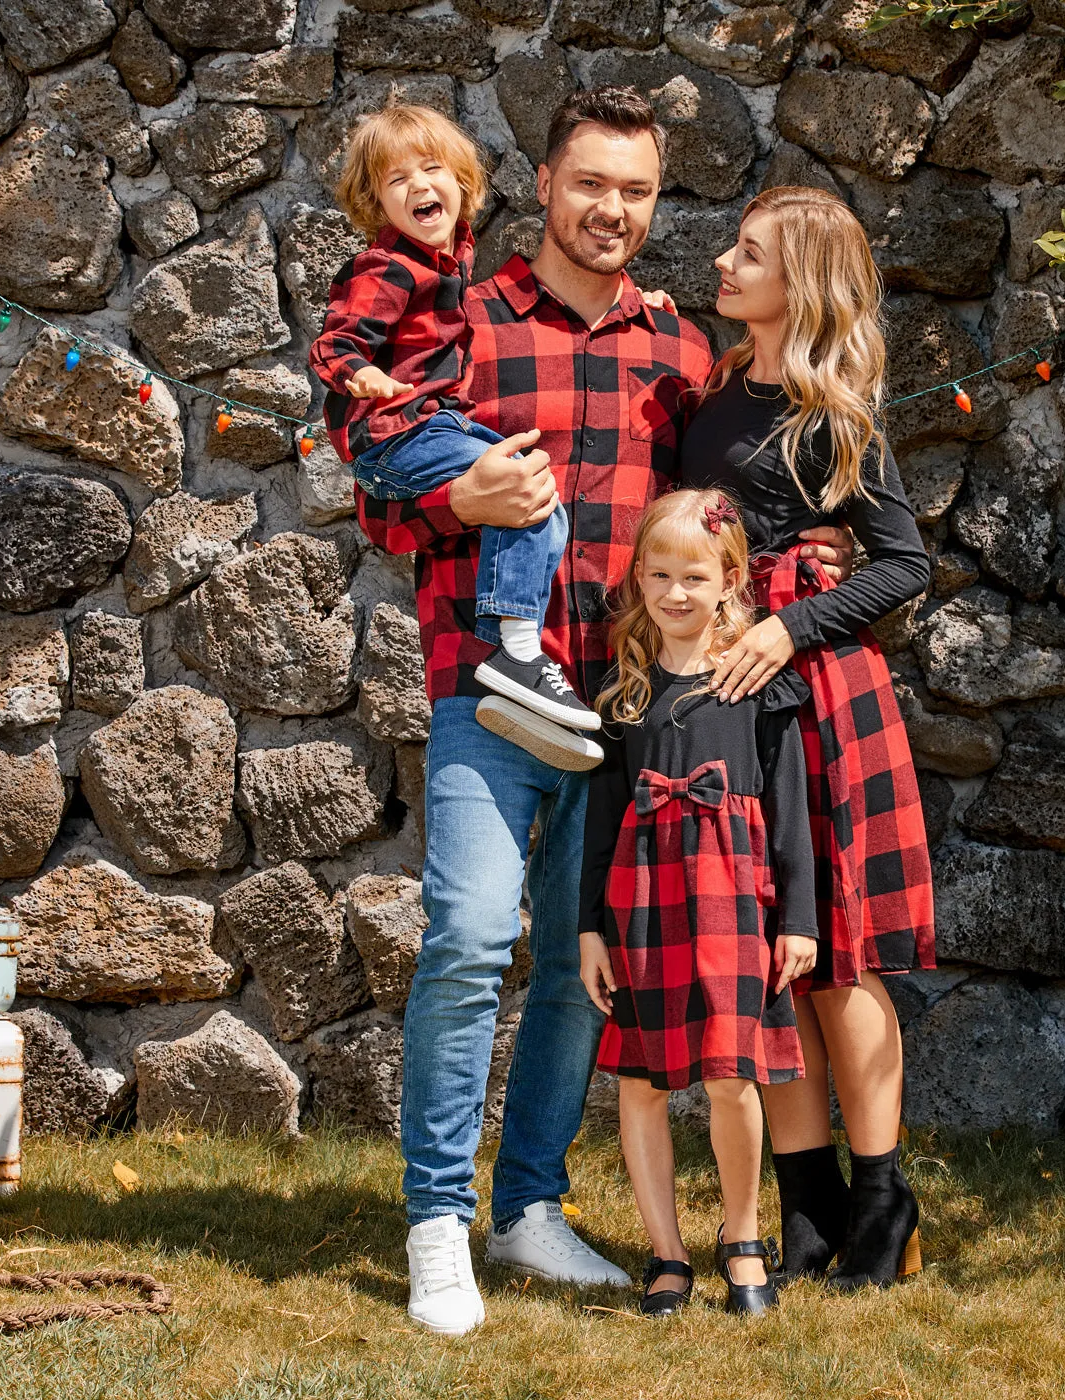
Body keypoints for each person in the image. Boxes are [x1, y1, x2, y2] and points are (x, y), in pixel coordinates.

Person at [352, 89, 856, 1335]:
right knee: (470, 935)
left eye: (635, 191)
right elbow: (378, 487)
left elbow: (725, 521)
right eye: (591, 185)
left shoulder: (681, 354)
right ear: (542, 182)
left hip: (630, 715)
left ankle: (527, 1206)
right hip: (487, 688)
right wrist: (453, 501)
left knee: (591, 976)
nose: (612, 211)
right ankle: (434, 1218)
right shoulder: (460, 320)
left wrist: (805, 573)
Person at [682, 185, 937, 1290]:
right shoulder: (711, 389)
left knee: (835, 957)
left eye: (750, 255)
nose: (726, 265)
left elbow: (901, 563)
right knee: (762, 961)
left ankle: (881, 1201)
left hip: (818, 700)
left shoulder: (832, 411)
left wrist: (788, 623)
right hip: (727, 699)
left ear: (802, 284)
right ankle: (807, 1205)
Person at [578, 489, 820, 1317]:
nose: (675, 594)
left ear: (729, 580)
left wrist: (800, 920)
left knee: (730, 1076)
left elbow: (790, 807)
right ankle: (666, 1254)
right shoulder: (624, 688)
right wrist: (587, 929)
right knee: (642, 1083)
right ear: (638, 579)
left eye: (694, 576)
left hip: (732, 895)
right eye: (658, 576)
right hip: (641, 899)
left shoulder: (755, 680)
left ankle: (744, 1239)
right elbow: (601, 820)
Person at [310, 104, 601, 752]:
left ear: (463, 182)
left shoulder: (453, 264)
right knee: (531, 489)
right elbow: (333, 343)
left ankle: (516, 664)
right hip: (396, 434)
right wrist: (364, 375)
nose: (419, 185)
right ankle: (515, 656)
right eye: (396, 179)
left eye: (432, 168)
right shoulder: (384, 267)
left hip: (426, 427)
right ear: (374, 201)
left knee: (533, 496)